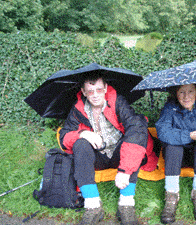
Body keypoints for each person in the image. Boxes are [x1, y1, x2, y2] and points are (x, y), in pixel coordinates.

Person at [59, 75, 158, 225]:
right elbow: (64, 136)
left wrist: (125, 171)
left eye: (99, 89)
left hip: (119, 155)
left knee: (134, 144)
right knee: (80, 143)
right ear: (83, 92)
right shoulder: (77, 109)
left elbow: (136, 129)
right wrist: (83, 133)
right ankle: (93, 206)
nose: (96, 94)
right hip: (97, 156)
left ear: (105, 88)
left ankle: (126, 204)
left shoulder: (118, 102)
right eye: (90, 91)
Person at [155, 84, 196, 224]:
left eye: (190, 92)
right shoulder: (170, 108)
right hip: (176, 159)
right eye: (182, 92)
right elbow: (163, 132)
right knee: (173, 145)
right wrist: (190, 135)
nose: (186, 97)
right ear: (176, 93)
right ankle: (172, 196)